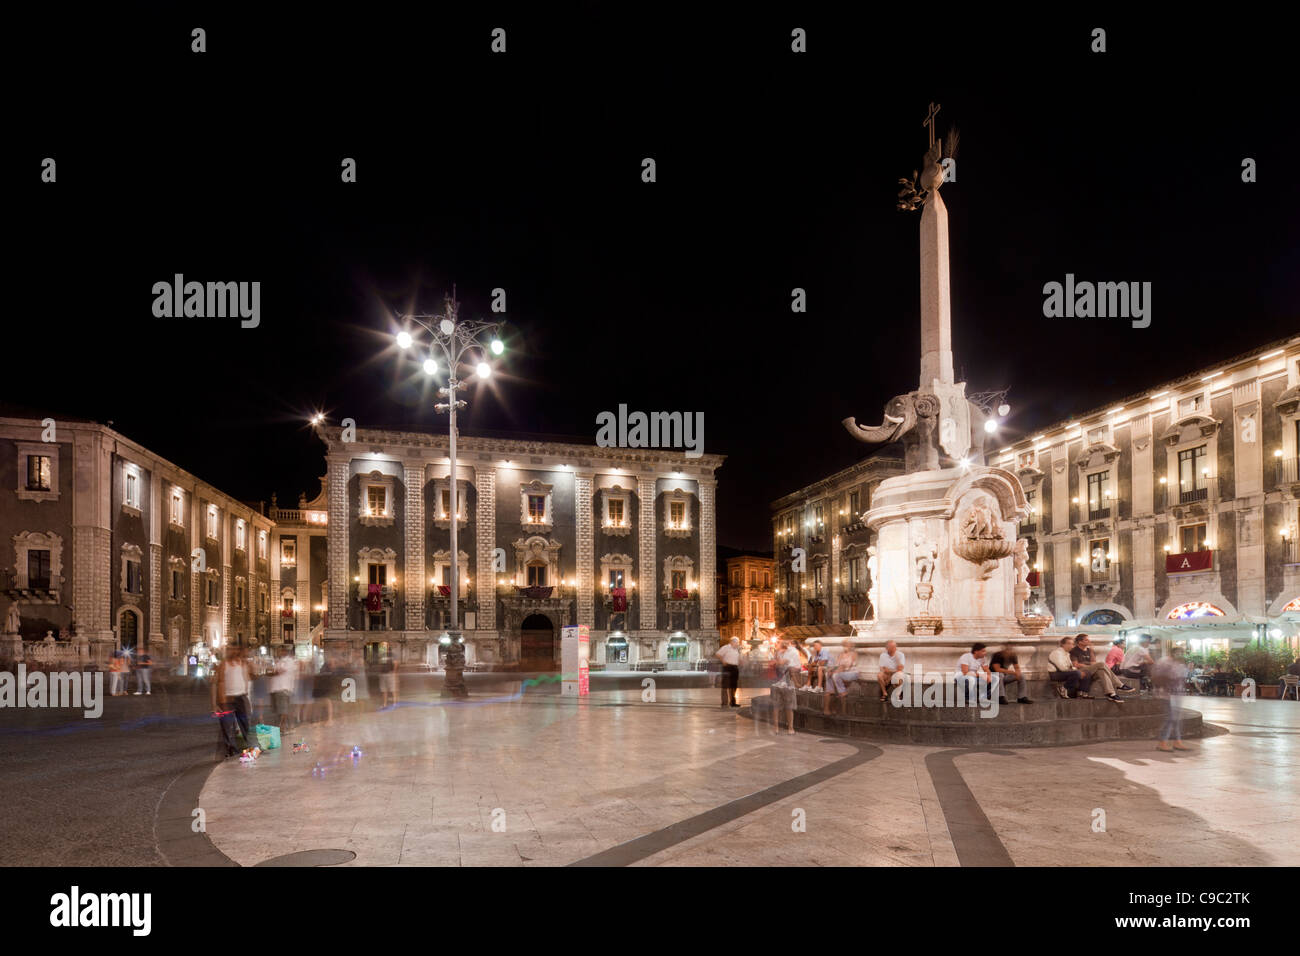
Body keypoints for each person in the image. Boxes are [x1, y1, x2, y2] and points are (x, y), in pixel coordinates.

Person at [216, 647, 255, 750]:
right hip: (228, 698)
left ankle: (249, 745)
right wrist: (221, 701)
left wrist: (246, 692)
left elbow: (247, 677)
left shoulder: (242, 664)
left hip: (241, 697)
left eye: (236, 650)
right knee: (227, 726)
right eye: (232, 650)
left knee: (245, 722)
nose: (235, 652)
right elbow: (220, 682)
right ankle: (230, 749)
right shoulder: (224, 664)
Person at [1070, 634, 1128, 703]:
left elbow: (1093, 662)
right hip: (1080, 672)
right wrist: (1090, 666)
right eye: (1086, 640)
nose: (1089, 641)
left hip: (1090, 671)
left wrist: (1091, 651)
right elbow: (1076, 665)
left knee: (1101, 671)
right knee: (1101, 664)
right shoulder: (1074, 650)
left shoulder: (1089, 650)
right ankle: (1119, 685)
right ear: (1080, 642)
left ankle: (1111, 694)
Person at [1154, 646, 1192, 751]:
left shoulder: (1179, 664)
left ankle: (1177, 741)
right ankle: (1162, 742)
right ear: (1173, 652)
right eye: (1178, 652)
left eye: (1182, 653)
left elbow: (1182, 677)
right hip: (1166, 694)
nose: (1180, 654)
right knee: (1170, 718)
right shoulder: (1164, 662)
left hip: (1177, 694)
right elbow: (1157, 677)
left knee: (1177, 719)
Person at [770, 640, 800, 734]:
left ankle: (790, 728)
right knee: (776, 706)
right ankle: (776, 727)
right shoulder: (778, 652)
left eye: (779, 644)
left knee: (789, 706)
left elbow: (783, 663)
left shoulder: (792, 652)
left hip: (788, 682)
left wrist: (777, 660)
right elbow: (772, 663)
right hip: (777, 682)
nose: (778, 645)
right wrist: (776, 656)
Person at [826, 640, 860, 715]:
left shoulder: (854, 654)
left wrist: (836, 671)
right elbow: (836, 665)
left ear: (850, 646)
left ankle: (842, 692)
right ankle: (830, 691)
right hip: (841, 672)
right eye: (844, 645)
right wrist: (831, 670)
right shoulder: (840, 654)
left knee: (835, 675)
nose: (845, 647)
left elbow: (847, 666)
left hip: (852, 672)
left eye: (847, 645)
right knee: (828, 675)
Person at [269, 651, 296, 729]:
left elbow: (279, 671)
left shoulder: (289, 661)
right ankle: (284, 727)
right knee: (278, 710)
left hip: (283, 688)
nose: (278, 651)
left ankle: (283, 728)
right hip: (275, 689)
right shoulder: (279, 661)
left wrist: (270, 671)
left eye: (280, 649)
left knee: (283, 710)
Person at [715, 637, 742, 708]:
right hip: (727, 667)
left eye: (738, 642)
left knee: (733, 686)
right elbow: (717, 654)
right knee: (725, 685)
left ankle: (733, 702)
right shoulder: (726, 647)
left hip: (735, 668)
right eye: (737, 642)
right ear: (732, 642)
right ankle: (724, 703)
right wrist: (723, 661)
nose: (738, 644)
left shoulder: (737, 650)